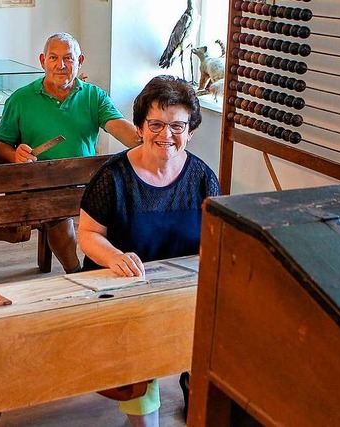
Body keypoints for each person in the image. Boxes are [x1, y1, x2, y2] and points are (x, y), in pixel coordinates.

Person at [78, 75, 221, 427]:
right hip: (126, 292)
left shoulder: (203, 178)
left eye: (176, 126)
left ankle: (192, 376)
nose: (165, 134)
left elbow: (217, 239)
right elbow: (88, 234)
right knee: (143, 373)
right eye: (155, 124)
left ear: (190, 131)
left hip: (180, 292)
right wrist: (114, 256)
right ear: (140, 127)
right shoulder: (112, 177)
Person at [0, 32, 139, 274]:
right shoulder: (20, 99)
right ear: (42, 61)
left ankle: (118, 266)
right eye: (53, 58)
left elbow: (117, 125)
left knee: (127, 203)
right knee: (58, 216)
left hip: (87, 181)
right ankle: (76, 271)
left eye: (68, 58)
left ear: (80, 61)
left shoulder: (94, 96)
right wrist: (15, 155)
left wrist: (147, 139)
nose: (61, 65)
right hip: (42, 183)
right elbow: (0, 145)